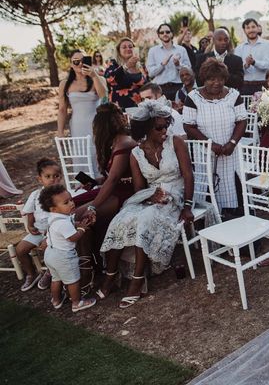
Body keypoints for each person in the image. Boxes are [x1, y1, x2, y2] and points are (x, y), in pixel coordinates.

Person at [99, 100, 195, 308]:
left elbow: (188, 175)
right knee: (119, 220)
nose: (165, 130)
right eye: (159, 127)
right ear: (146, 129)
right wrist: (150, 196)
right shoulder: (136, 153)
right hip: (150, 195)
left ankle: (137, 279)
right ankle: (110, 275)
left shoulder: (176, 142)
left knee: (145, 220)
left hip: (176, 194)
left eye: (166, 125)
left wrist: (187, 206)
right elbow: (139, 189)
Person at [72, 103, 138, 292]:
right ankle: (89, 263)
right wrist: (93, 181)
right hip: (115, 188)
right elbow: (110, 177)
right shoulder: (115, 141)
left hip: (126, 192)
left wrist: (93, 206)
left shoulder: (124, 142)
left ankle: (88, 270)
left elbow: (116, 179)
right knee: (71, 206)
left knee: (79, 215)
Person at [183, 58, 248, 214]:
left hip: (229, 151)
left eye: (220, 79)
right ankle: (210, 221)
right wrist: (210, 145)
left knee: (232, 186)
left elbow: (242, 120)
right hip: (204, 152)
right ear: (204, 79)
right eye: (211, 79)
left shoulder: (233, 95)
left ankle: (232, 218)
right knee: (206, 186)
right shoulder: (193, 97)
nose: (216, 83)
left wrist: (232, 143)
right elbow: (188, 126)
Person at [40, 184, 97, 312]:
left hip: (50, 254)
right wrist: (82, 229)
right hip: (63, 257)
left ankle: (56, 300)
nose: (71, 203)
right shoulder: (62, 223)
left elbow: (70, 225)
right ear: (54, 208)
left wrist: (79, 224)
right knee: (73, 280)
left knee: (56, 279)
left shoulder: (55, 217)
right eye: (66, 202)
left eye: (71, 199)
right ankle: (77, 302)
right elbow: (73, 237)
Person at [16, 158, 62, 292]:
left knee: (50, 251)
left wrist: (49, 238)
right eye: (48, 176)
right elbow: (30, 212)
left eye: (56, 176)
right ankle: (32, 274)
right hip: (38, 230)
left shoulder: (62, 196)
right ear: (40, 179)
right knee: (20, 250)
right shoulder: (35, 195)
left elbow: (64, 218)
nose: (53, 179)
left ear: (61, 177)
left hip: (55, 233)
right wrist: (30, 225)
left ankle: (50, 272)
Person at [56, 50, 108, 140]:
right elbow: (62, 109)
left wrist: (94, 76)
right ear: (71, 64)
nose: (80, 64)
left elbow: (104, 98)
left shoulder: (99, 79)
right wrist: (60, 132)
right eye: (76, 61)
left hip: (97, 125)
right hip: (77, 126)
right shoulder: (64, 84)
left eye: (83, 60)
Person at [146, 23, 191, 100]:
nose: (165, 34)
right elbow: (151, 73)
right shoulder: (153, 51)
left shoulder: (181, 49)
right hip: (160, 89)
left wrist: (178, 65)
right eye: (162, 32)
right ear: (159, 35)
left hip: (179, 87)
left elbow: (189, 70)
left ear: (172, 33)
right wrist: (162, 64)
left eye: (167, 32)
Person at [104, 37, 148, 109]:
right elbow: (109, 78)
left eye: (130, 47)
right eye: (124, 47)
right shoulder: (113, 64)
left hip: (140, 106)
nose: (128, 49)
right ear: (118, 50)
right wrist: (126, 66)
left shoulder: (140, 66)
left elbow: (147, 83)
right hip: (119, 106)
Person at [235, 18, 269, 95]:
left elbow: (268, 65)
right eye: (248, 28)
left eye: (253, 27)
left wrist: (254, 62)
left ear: (257, 28)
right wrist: (246, 65)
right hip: (244, 86)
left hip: (263, 85)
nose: (251, 30)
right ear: (244, 30)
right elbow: (236, 69)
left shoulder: (267, 45)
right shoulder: (239, 48)